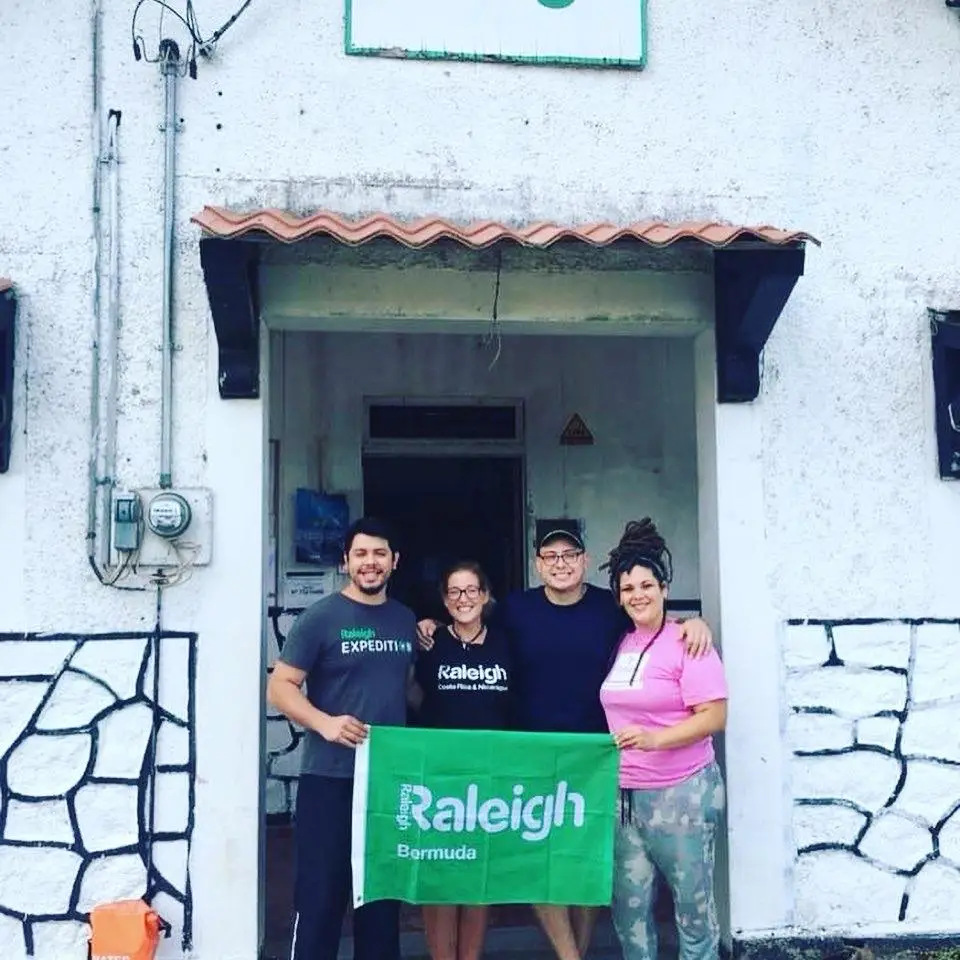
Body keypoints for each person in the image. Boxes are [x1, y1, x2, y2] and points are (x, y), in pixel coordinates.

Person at [419, 520, 714, 960]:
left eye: (569, 556)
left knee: (586, 864)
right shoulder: (515, 610)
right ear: (538, 564)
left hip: (596, 757)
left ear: (584, 562)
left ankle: (580, 945)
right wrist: (429, 624)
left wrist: (692, 623)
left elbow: (647, 619)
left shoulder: (608, 608)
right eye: (550, 556)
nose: (560, 564)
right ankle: (568, 956)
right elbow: (468, 619)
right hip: (533, 754)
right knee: (542, 863)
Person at [267, 517, 417, 960]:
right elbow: (280, 687)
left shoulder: (404, 618)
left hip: (387, 782)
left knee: (379, 900)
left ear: (394, 561)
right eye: (361, 554)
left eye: (379, 554)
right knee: (320, 899)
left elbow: (405, 689)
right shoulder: (322, 617)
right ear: (346, 561)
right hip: (329, 778)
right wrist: (325, 722)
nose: (370, 563)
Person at [599, 519, 727, 960]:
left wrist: (655, 740)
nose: (638, 594)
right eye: (628, 587)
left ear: (664, 588)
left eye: (646, 584)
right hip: (625, 798)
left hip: (682, 792)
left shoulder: (689, 641)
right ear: (618, 596)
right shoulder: (623, 643)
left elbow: (715, 716)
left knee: (693, 909)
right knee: (629, 912)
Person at [413, 560, 513, 960]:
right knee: (438, 874)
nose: (463, 599)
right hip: (439, 778)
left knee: (477, 876)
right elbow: (413, 697)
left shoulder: (507, 643)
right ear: (444, 600)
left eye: (472, 590)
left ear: (486, 596)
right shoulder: (431, 643)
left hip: (489, 778)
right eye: (454, 592)